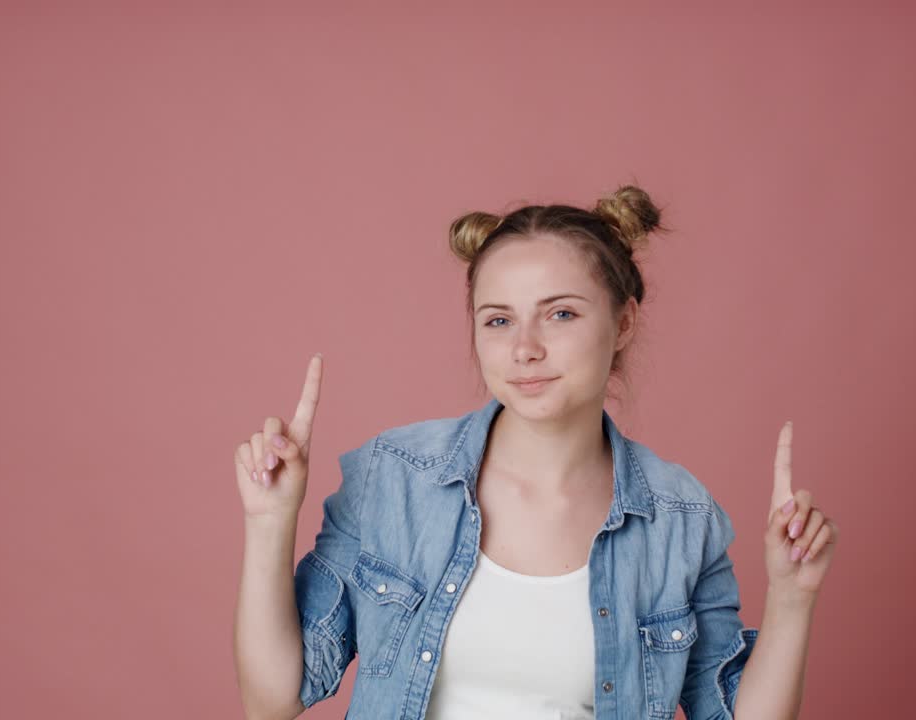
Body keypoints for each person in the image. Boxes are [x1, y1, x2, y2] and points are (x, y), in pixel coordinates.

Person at [233, 185, 839, 720]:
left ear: (624, 322)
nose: (525, 348)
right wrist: (269, 521)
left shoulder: (680, 520)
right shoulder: (391, 478)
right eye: (498, 321)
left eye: (561, 314)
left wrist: (792, 597)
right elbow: (275, 700)